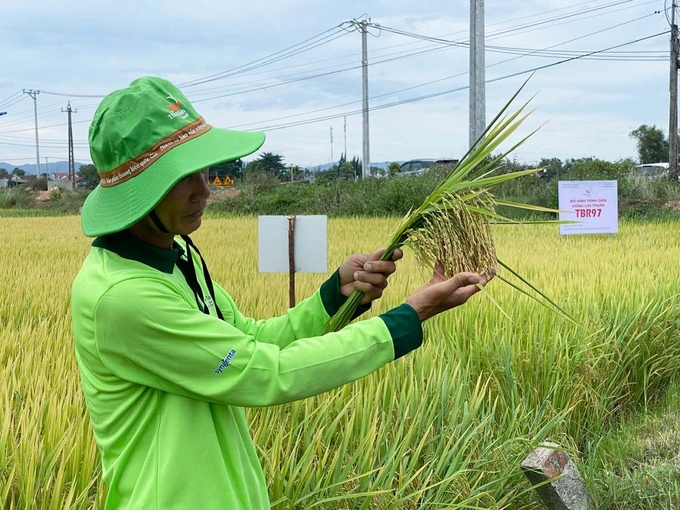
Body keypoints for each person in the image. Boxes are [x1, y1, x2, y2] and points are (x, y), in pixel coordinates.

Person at [71, 76, 491, 510]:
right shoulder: (122, 297)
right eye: (181, 177)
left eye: (201, 169)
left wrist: (336, 295)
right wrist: (408, 318)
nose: (204, 190)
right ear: (139, 192)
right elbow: (265, 372)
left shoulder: (176, 256)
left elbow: (249, 340)